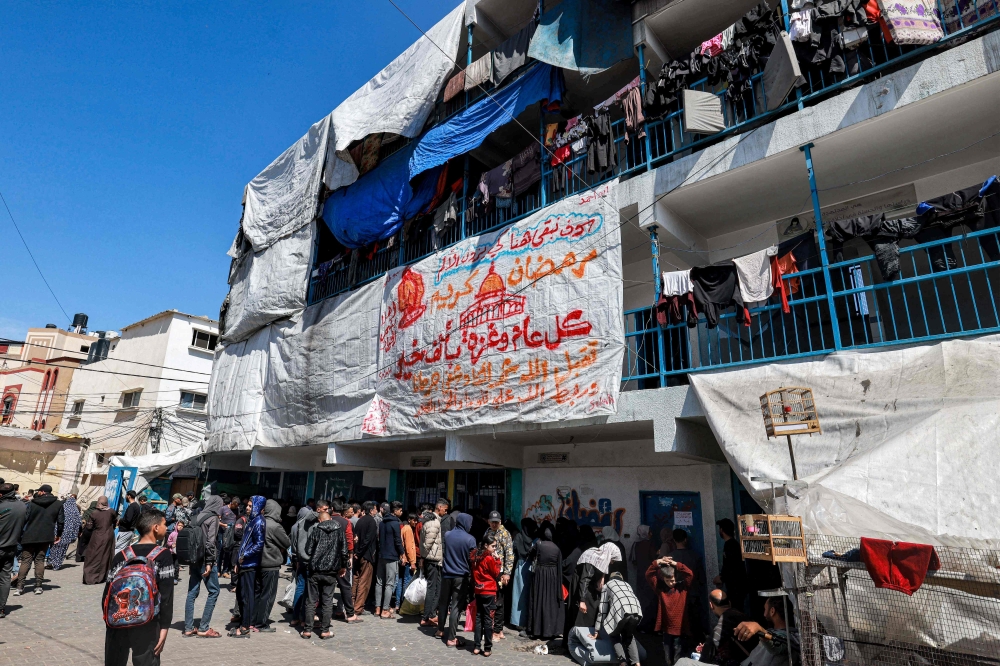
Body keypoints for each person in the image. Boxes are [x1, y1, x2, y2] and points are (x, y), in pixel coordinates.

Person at [104, 509, 174, 666]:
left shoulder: (121, 555)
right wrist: (164, 627)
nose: (166, 528)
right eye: (164, 524)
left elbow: (107, 593)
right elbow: (166, 596)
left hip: (117, 621)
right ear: (155, 527)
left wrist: (109, 622)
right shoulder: (163, 555)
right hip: (147, 622)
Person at [301, 509, 348, 640]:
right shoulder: (339, 531)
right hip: (331, 571)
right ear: (331, 519)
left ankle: (307, 630)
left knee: (311, 601)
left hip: (315, 570)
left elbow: (308, 550)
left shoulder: (316, 530)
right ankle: (325, 630)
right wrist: (343, 566)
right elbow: (344, 551)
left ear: (319, 520)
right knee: (327, 601)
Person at [182, 494, 223, 638]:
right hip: (205, 560)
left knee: (192, 592)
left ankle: (188, 627)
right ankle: (204, 627)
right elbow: (210, 543)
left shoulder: (195, 517)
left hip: (193, 560)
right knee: (214, 591)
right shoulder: (213, 519)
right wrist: (210, 563)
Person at [15, 483, 64, 596]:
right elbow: (61, 521)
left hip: (30, 535)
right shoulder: (58, 504)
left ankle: (20, 587)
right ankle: (38, 586)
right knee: (40, 560)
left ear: (42, 492)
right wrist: (58, 534)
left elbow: (25, 518)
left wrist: (20, 533)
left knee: (26, 560)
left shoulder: (32, 503)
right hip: (46, 536)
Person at [646, 556, 694, 664]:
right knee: (668, 656)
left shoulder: (682, 588)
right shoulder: (661, 589)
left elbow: (689, 574)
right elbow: (648, 575)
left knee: (678, 654)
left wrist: (675, 564)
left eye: (672, 580)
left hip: (680, 628)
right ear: (663, 579)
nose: (670, 583)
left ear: (676, 577)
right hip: (666, 628)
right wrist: (657, 562)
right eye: (667, 580)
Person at [436, 512, 475, 647]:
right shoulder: (470, 539)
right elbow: (473, 559)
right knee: (456, 607)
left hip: (446, 574)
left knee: (443, 603)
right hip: (461, 577)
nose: (471, 525)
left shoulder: (448, 535)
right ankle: (452, 638)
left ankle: (440, 630)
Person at [690, 590, 756, 666]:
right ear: (729, 603)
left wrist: (703, 655)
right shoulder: (740, 615)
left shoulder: (725, 620)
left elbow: (711, 646)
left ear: (711, 605)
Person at [231, 496, 266, 638]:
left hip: (250, 564)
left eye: (251, 506)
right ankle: (243, 623)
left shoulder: (259, 522)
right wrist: (238, 561)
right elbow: (245, 542)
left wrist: (244, 556)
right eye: (248, 505)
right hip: (244, 563)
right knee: (241, 595)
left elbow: (259, 544)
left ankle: (245, 626)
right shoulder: (252, 521)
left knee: (247, 596)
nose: (247, 508)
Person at [729, 597, 798, 666]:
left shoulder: (789, 636)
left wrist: (759, 629)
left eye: (765, 609)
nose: (764, 614)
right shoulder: (772, 631)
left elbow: (776, 646)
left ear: (772, 611)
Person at [593, 571, 643, 666]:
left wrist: (597, 630)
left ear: (611, 578)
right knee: (628, 635)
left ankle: (622, 662)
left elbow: (602, 609)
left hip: (622, 610)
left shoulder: (607, 585)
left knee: (614, 634)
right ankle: (637, 663)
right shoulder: (627, 584)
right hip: (637, 611)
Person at [290, 499, 327, 626]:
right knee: (311, 592)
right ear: (318, 509)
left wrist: (296, 557)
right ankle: (306, 619)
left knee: (300, 588)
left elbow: (294, 544)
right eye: (325, 509)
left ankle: (295, 617)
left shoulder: (298, 524)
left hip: (301, 559)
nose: (328, 512)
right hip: (311, 561)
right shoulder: (317, 525)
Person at [254, 499, 289, 631]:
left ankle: (253, 619)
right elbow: (286, 542)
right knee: (268, 595)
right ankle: (262, 623)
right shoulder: (274, 526)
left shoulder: (257, 522)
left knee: (256, 593)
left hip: (256, 563)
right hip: (270, 564)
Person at [526, 523, 564, 640]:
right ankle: (550, 631)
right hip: (552, 576)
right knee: (550, 602)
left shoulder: (539, 544)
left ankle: (537, 630)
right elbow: (559, 565)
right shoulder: (557, 548)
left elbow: (530, 554)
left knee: (538, 600)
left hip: (540, 574)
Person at [670, 528, 708, 636]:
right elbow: (701, 578)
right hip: (693, 594)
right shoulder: (695, 556)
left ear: (674, 540)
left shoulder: (670, 557)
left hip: (677, 595)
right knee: (695, 623)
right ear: (685, 540)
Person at [575, 542, 621, 629]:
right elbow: (585, 579)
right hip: (583, 590)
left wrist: (602, 577)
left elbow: (602, 568)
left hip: (590, 591)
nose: (611, 562)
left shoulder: (602, 558)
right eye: (612, 559)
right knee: (582, 619)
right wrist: (582, 600)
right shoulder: (593, 557)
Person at [329, 499, 361, 623]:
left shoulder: (325, 520)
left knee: (326, 587)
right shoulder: (346, 522)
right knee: (345, 586)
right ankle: (350, 614)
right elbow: (349, 541)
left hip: (326, 560)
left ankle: (321, 614)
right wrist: (350, 557)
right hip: (342, 559)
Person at [470, 533, 501, 657]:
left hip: (478, 590)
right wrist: (497, 560)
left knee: (478, 618)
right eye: (493, 546)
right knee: (488, 619)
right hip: (488, 591)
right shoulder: (488, 558)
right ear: (486, 545)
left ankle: (477, 646)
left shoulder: (475, 557)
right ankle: (487, 648)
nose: (494, 549)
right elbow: (496, 573)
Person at [484, 510, 513, 641]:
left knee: (499, 601)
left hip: (500, 572)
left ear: (500, 522)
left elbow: (510, 555)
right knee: (492, 599)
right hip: (490, 571)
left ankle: (498, 631)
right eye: (492, 522)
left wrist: (507, 573)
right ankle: (495, 628)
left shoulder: (505, 534)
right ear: (489, 522)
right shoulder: (488, 532)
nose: (494, 524)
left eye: (496, 522)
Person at [0, 483, 27, 618]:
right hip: (11, 546)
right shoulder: (22, 506)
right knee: (5, 578)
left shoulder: (2, 506)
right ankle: (1, 608)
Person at [418, 499, 445, 627]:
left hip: (434, 558)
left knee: (436, 588)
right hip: (433, 559)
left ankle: (431, 614)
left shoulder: (432, 522)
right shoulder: (434, 523)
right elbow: (428, 543)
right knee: (431, 588)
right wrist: (424, 557)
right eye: (445, 508)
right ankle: (426, 617)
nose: (446, 511)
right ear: (439, 507)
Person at [375, 500, 404, 619]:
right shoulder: (395, 524)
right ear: (395, 511)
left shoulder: (382, 522)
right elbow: (398, 540)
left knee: (379, 582)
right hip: (391, 556)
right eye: (400, 510)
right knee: (389, 583)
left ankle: (377, 608)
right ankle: (385, 610)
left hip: (381, 555)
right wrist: (402, 552)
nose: (401, 512)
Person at [714, 519, 748, 614]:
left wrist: (722, 578)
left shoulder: (731, 545)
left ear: (722, 530)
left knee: (736, 611)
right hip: (735, 586)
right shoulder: (732, 544)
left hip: (736, 587)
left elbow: (732, 566)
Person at [352, 501, 379, 616]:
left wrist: (356, 552)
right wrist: (360, 552)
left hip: (358, 554)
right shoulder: (371, 522)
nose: (376, 510)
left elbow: (356, 537)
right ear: (371, 510)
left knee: (356, 579)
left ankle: (352, 603)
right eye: (375, 509)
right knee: (364, 581)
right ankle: (358, 607)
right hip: (366, 555)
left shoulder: (360, 520)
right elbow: (367, 540)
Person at [83, 496, 117, 585]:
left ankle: (90, 578)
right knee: (106, 555)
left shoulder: (94, 513)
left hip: (97, 537)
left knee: (93, 556)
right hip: (109, 535)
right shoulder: (111, 511)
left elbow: (89, 527)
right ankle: (103, 577)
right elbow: (115, 521)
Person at [510, 518, 536, 632]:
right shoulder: (535, 538)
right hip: (532, 567)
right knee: (529, 594)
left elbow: (514, 551)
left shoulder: (518, 537)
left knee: (518, 594)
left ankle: (518, 621)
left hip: (520, 567)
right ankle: (529, 621)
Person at [631, 525, 658, 630]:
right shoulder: (650, 544)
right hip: (650, 575)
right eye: (649, 532)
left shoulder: (635, 545)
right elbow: (655, 559)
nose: (651, 534)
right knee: (651, 599)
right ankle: (651, 625)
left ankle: (642, 625)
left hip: (640, 575)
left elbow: (633, 561)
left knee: (642, 599)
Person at [48, 493, 80, 570]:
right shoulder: (76, 510)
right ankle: (57, 564)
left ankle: (50, 562)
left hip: (58, 530)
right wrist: (75, 534)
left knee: (54, 546)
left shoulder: (62, 507)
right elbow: (77, 523)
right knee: (62, 549)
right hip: (68, 534)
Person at [393, 511, 418, 612]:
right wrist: (412, 562)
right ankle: (403, 604)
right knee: (406, 582)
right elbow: (409, 547)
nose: (415, 522)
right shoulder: (408, 529)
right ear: (409, 520)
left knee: (400, 581)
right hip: (407, 560)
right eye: (414, 520)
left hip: (402, 559)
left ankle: (398, 604)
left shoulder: (403, 528)